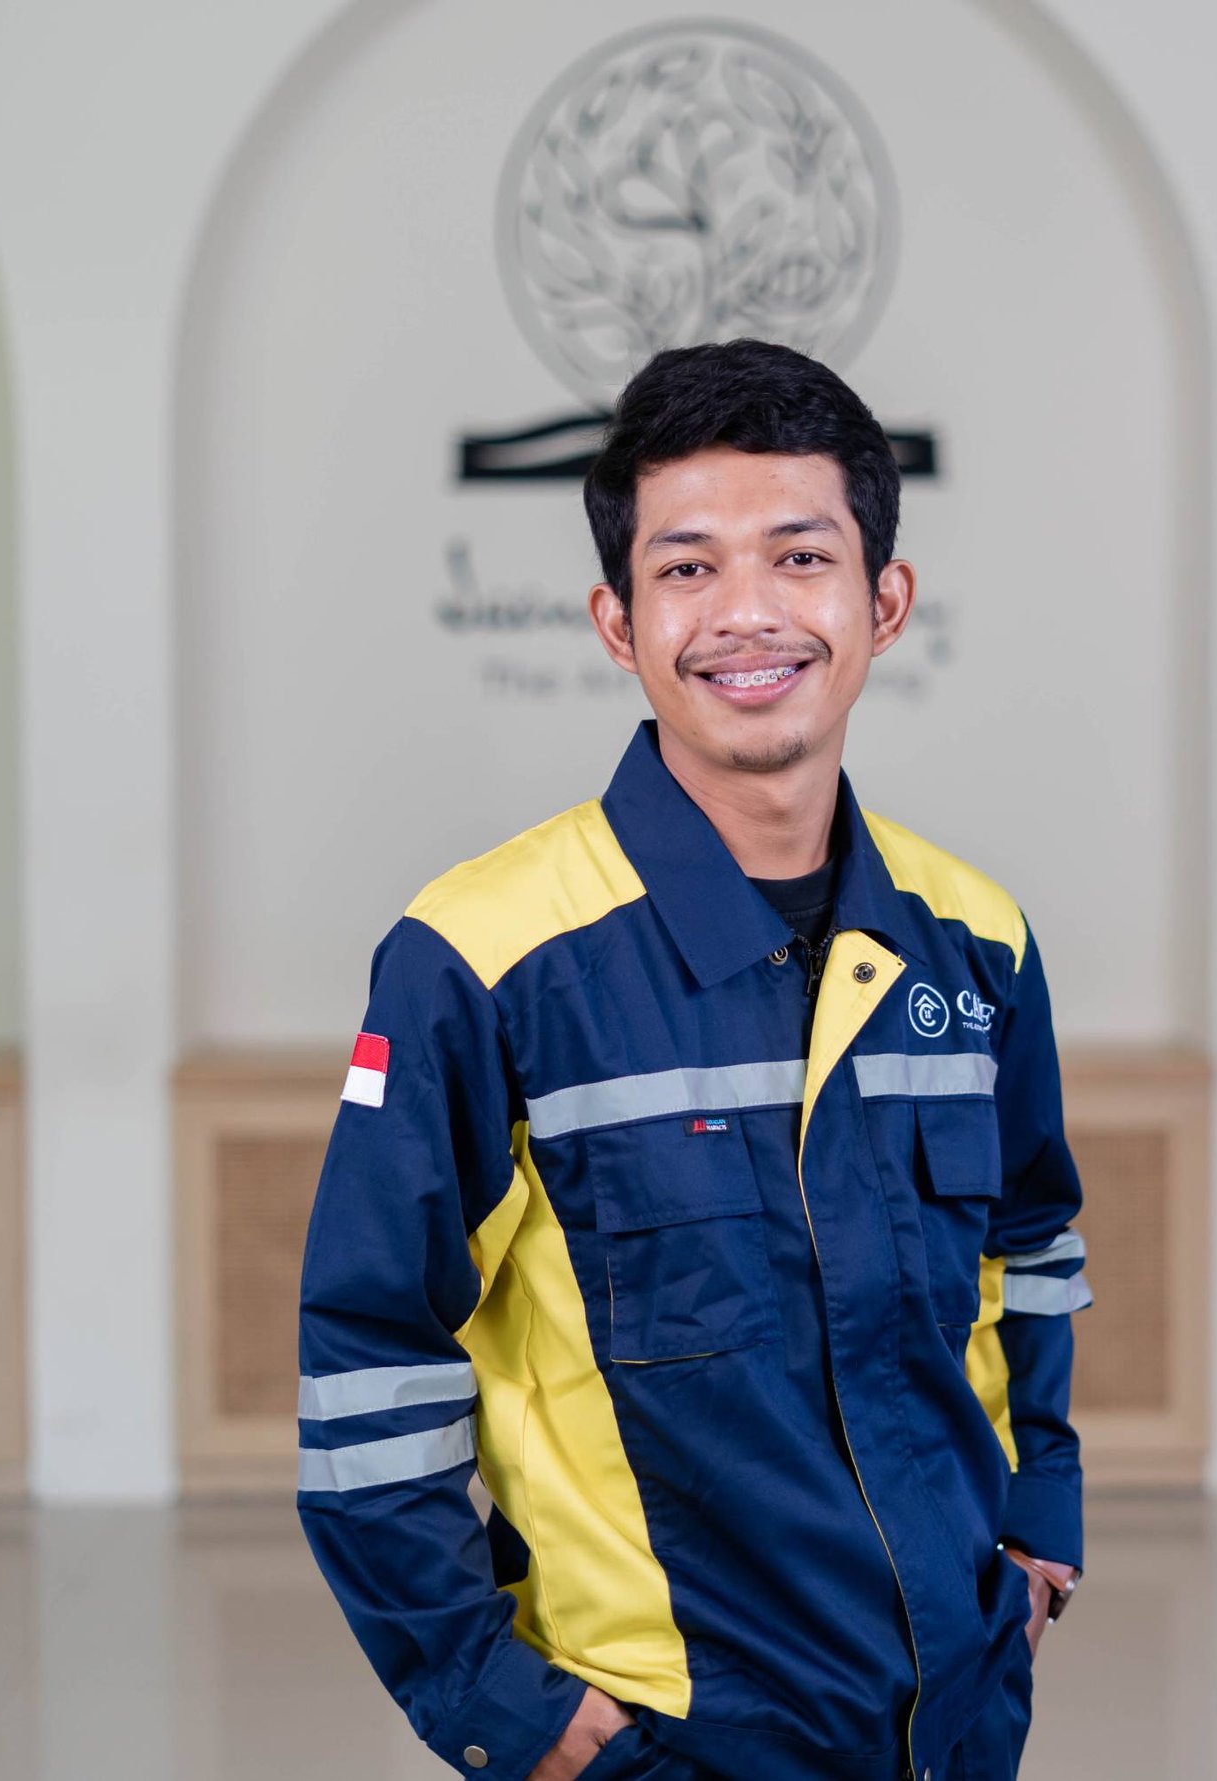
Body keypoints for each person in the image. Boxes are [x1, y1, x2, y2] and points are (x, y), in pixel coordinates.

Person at [296, 339, 1090, 1781]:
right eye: (686, 568)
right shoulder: (479, 960)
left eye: (801, 556)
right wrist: (511, 1714)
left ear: (884, 600)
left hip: (957, 1721)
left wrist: (1040, 1531)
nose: (747, 613)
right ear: (618, 620)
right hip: (663, 1745)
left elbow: (1030, 1248)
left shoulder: (975, 941)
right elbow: (368, 1363)